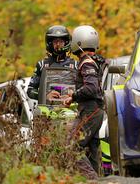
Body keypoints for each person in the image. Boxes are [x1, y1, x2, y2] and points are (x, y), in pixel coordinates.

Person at [64, 25, 106, 174]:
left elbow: (91, 88)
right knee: (91, 150)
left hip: (90, 112)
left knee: (72, 147)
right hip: (95, 111)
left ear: (79, 42)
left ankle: (91, 179)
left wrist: (73, 96)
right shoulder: (94, 61)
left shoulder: (86, 62)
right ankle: (98, 179)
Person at [27, 25, 77, 100]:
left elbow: (83, 90)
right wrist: (45, 95)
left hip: (71, 108)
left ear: (66, 42)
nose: (58, 44)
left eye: (61, 41)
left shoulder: (75, 65)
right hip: (46, 109)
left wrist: (73, 96)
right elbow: (30, 90)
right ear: (50, 44)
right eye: (55, 41)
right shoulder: (42, 65)